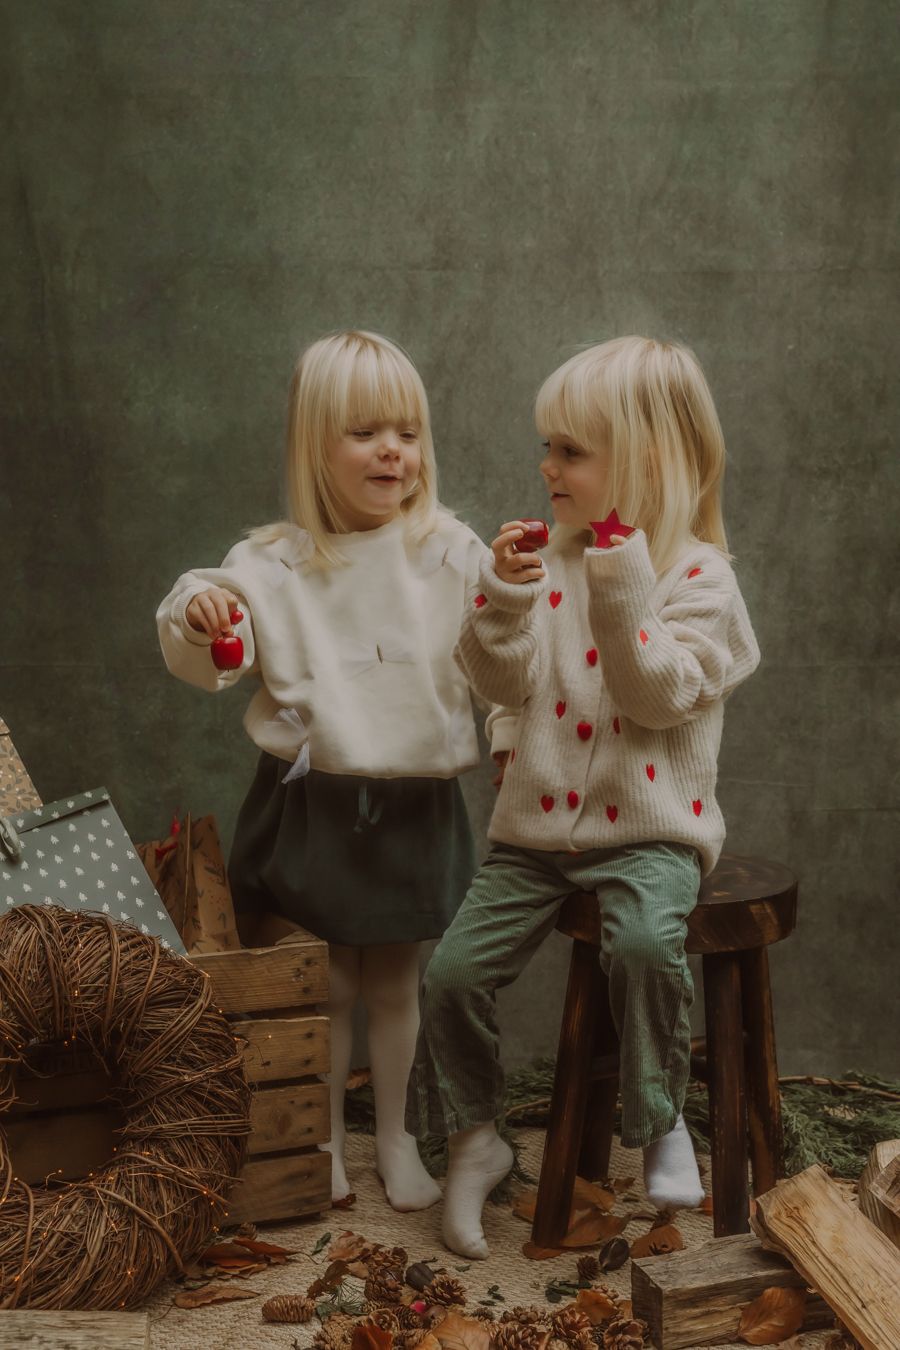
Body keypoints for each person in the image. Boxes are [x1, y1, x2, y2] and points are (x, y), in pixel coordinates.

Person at [406, 335, 761, 1258]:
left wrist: (618, 578)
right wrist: (503, 599)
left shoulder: (701, 582)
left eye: (569, 450)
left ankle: (659, 1118)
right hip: (536, 832)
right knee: (448, 973)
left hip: (651, 833)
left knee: (643, 944)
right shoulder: (548, 560)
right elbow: (498, 680)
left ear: (640, 460)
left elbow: (652, 696)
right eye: (547, 446)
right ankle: (476, 1139)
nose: (546, 467)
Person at [157, 330, 487, 1211]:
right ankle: (321, 1137)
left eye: (409, 432)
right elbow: (215, 645)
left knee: (396, 982)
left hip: (413, 802)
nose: (394, 451)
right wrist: (202, 612)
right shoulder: (271, 563)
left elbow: (508, 652)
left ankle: (396, 1139)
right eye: (367, 432)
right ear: (315, 446)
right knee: (327, 983)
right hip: (316, 799)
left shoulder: (452, 552)